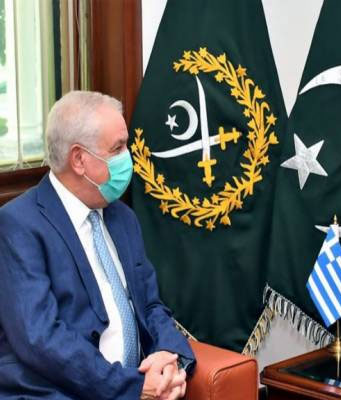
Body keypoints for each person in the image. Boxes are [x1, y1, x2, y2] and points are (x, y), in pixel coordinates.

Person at [0, 91, 195, 399]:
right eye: (118, 148)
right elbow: (41, 339)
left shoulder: (122, 217)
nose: (128, 157)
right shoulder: (19, 225)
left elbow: (151, 305)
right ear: (79, 159)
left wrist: (170, 359)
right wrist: (133, 387)